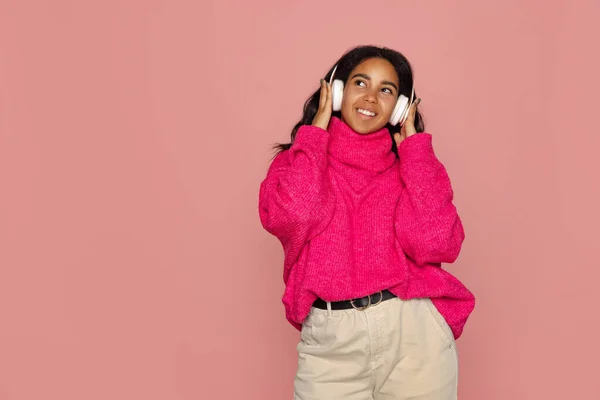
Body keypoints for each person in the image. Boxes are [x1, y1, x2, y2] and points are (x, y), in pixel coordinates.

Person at [258, 45, 475, 400]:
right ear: (337, 90)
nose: (371, 97)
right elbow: (294, 217)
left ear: (400, 107)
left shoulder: (411, 168)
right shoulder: (298, 161)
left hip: (413, 336)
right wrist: (315, 133)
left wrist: (417, 155)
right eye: (361, 83)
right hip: (331, 343)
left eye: (386, 90)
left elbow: (437, 243)